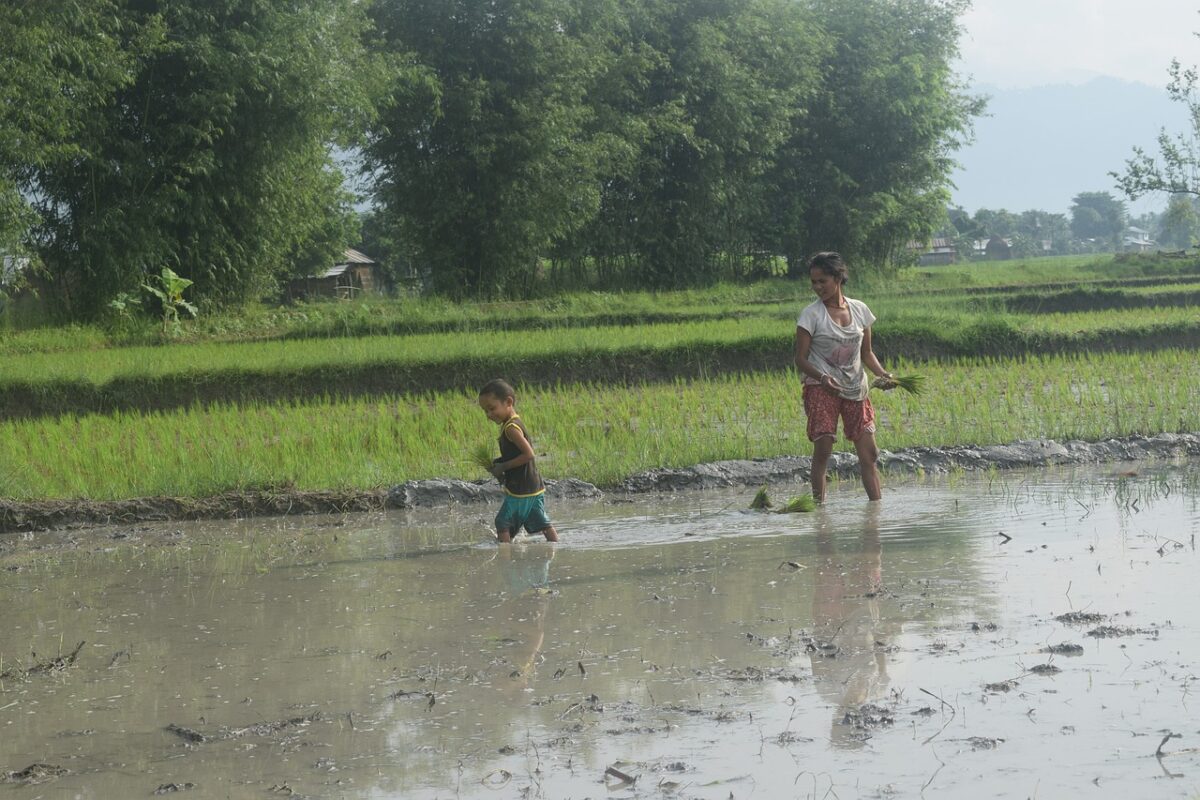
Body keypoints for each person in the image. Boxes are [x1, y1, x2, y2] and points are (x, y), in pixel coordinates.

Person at [793, 251, 892, 501]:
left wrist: (883, 374)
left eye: (822, 281)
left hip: (855, 388)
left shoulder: (860, 310)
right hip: (821, 388)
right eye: (813, 282)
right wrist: (823, 378)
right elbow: (800, 359)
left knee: (870, 453)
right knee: (824, 448)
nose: (817, 287)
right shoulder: (811, 315)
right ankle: (819, 509)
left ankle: (876, 510)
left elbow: (867, 352)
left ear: (837, 278)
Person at [477, 378, 559, 543]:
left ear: (508, 402)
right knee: (543, 522)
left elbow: (529, 454)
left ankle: (506, 561)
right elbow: (516, 454)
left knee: (502, 522)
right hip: (534, 485)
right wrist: (499, 463)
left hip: (521, 488)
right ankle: (555, 547)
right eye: (485, 411)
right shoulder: (514, 423)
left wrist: (503, 467)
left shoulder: (511, 428)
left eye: (492, 409)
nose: (489, 415)